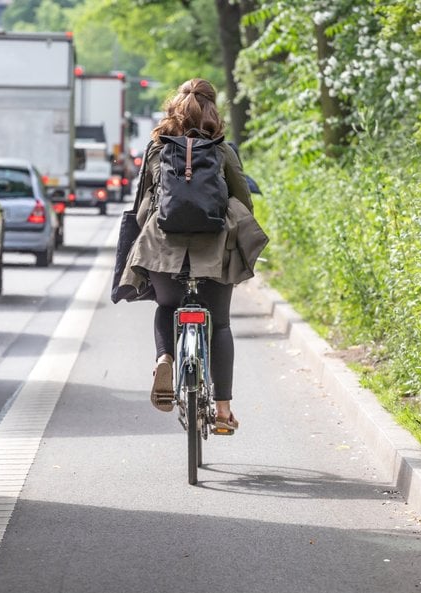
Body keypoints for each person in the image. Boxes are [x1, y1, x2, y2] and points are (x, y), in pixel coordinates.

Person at [118, 78, 264, 434]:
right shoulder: (222, 150)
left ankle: (165, 358)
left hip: (162, 250)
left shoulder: (157, 149)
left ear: (173, 110)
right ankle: (223, 411)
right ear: (213, 110)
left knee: (167, 307)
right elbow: (244, 200)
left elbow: (143, 203)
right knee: (221, 324)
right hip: (214, 251)